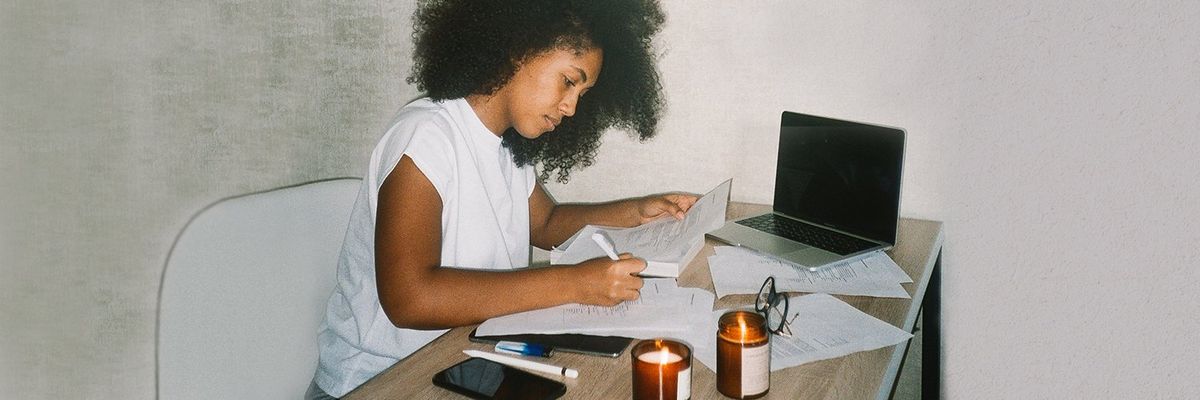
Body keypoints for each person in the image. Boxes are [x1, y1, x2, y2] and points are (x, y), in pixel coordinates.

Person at [308, 0, 688, 398]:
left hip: (461, 362)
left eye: (583, 92)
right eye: (569, 81)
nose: (572, 107)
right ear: (519, 49)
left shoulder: (506, 143)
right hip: (378, 381)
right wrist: (574, 283)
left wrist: (637, 212)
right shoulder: (426, 137)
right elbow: (409, 299)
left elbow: (545, 223)